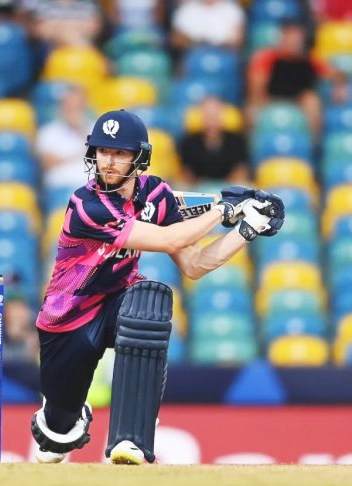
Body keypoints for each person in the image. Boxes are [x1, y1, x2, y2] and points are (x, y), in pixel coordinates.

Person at [30, 109, 285, 465]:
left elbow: (195, 264)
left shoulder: (156, 194)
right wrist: (225, 209)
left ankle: (130, 437)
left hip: (118, 298)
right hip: (68, 318)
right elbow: (168, 240)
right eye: (103, 151)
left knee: (149, 305)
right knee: (57, 439)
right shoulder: (87, 205)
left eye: (119, 153)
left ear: (139, 158)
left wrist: (247, 227)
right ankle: (62, 418)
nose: (109, 161)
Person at [246, 19, 348, 140]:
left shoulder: (309, 60)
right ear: (282, 37)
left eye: (297, 38)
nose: (294, 42)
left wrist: (340, 83)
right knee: (251, 111)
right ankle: (255, 149)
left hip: (299, 100)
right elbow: (256, 87)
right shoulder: (267, 57)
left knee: (312, 101)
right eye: (291, 37)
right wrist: (264, 102)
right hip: (270, 98)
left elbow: (332, 74)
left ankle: (311, 146)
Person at [178, 95, 249, 185]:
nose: (211, 123)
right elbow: (186, 175)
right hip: (198, 192)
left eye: (215, 117)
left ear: (222, 117)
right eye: (208, 117)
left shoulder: (237, 141)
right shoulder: (189, 142)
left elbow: (241, 172)